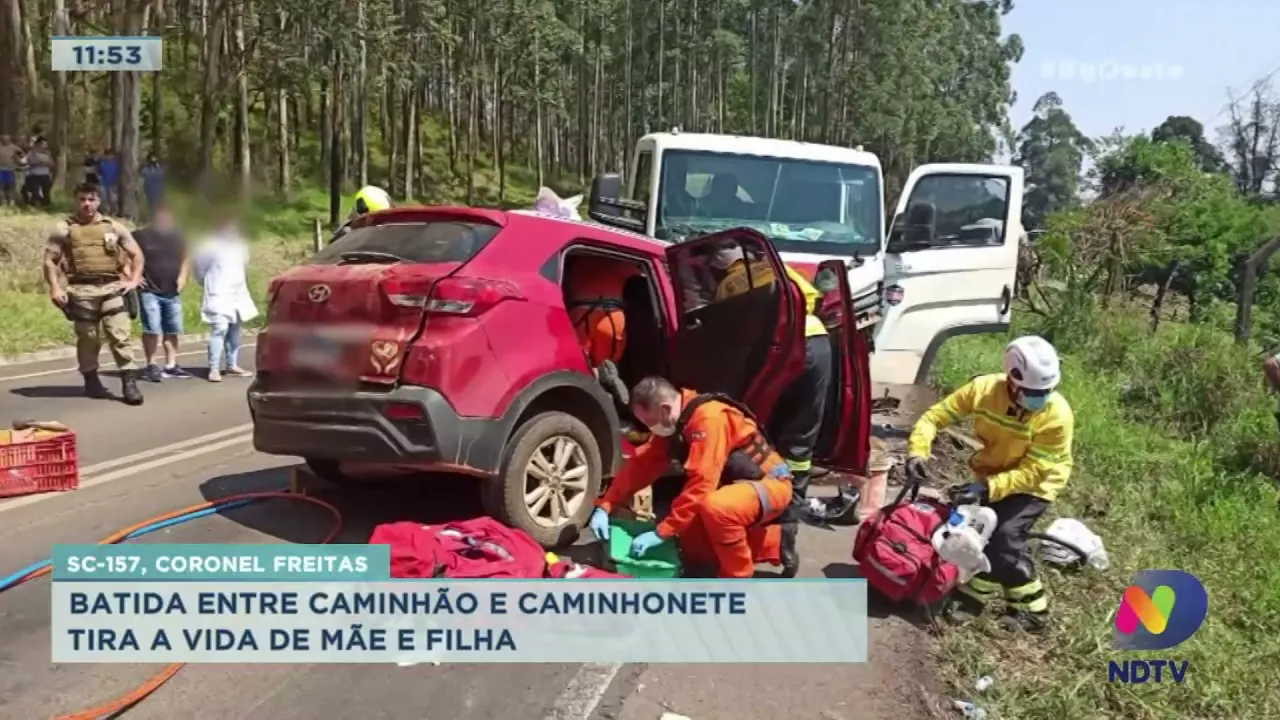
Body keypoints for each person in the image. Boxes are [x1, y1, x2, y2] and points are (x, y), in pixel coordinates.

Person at [905, 336, 1073, 633]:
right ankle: (1024, 607)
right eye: (1033, 392)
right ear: (1011, 379)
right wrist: (918, 451)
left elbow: (1036, 469)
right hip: (991, 474)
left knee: (1005, 537)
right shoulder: (983, 390)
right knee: (985, 536)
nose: (1041, 398)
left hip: (1037, 482)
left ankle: (979, 601)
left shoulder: (1057, 415)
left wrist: (987, 488)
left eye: (1046, 391)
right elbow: (934, 417)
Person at [705, 239, 831, 578]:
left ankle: (752, 529)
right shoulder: (774, 265)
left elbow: (723, 334)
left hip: (782, 350)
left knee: (755, 438)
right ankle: (787, 541)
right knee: (800, 446)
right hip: (818, 345)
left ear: (718, 267)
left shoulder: (731, 283)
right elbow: (813, 299)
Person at [588, 377, 795, 578]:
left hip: (770, 484)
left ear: (665, 409)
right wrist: (606, 504)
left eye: (650, 422)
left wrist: (661, 532)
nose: (651, 429)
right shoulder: (676, 425)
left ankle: (736, 578)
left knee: (718, 510)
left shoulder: (708, 419)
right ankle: (776, 543)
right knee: (690, 541)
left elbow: (701, 485)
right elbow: (640, 467)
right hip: (736, 486)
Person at [43, 183, 145, 405]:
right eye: (82, 199)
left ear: (98, 201)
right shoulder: (64, 228)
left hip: (111, 288)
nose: (86, 204)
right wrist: (55, 287)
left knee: (120, 334)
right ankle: (90, 378)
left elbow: (136, 254)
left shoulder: (114, 227)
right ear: (76, 201)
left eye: (91, 199)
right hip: (81, 291)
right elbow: (50, 261)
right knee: (88, 338)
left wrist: (134, 280)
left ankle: (129, 381)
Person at [192, 213, 258, 382]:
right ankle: (213, 368)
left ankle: (232, 364)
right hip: (218, 292)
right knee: (220, 329)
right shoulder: (208, 245)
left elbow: (245, 263)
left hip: (237, 293)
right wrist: (204, 282)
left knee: (235, 330)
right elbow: (199, 268)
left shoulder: (240, 246)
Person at [133, 204, 191, 381]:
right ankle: (151, 364)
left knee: (172, 329)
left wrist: (182, 277)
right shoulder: (140, 236)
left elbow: (187, 256)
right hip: (149, 289)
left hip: (172, 291)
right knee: (151, 328)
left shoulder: (179, 236)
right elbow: (127, 256)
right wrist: (132, 276)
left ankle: (171, 365)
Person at [23, 138, 53, 207]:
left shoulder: (48, 153)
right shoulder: (32, 153)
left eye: (46, 144)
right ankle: (36, 205)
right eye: (43, 144)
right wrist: (40, 162)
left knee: (46, 191)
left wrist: (47, 163)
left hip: (45, 174)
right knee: (35, 191)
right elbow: (31, 162)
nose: (45, 146)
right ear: (38, 144)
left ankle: (46, 205)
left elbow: (52, 163)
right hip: (35, 175)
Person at [0, 134, 22, 206]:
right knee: (1, 186)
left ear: (9, 139)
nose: (4, 140)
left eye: (6, 139)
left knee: (11, 186)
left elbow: (22, 157)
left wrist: (18, 163)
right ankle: (3, 202)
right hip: (1, 169)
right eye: (3, 139)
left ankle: (12, 202)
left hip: (10, 170)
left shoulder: (14, 148)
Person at [97, 148, 119, 214]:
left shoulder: (116, 164)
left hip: (113, 184)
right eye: (108, 155)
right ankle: (105, 211)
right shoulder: (102, 164)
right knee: (103, 198)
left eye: (111, 155)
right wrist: (100, 178)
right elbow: (98, 173)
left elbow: (118, 174)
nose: (109, 157)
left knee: (113, 199)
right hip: (103, 183)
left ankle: (113, 212)